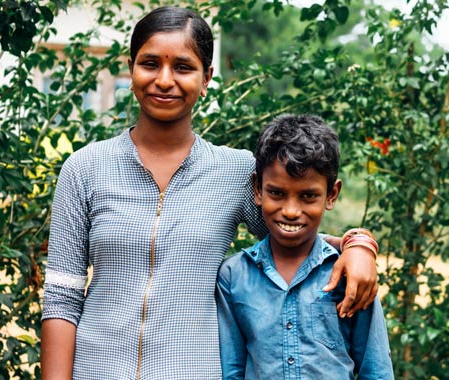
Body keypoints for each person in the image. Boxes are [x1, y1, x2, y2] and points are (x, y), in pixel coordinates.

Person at [41, 7, 380, 380]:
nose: (164, 80)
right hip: (97, 371)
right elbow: (62, 298)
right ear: (131, 68)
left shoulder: (235, 172)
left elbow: (296, 239)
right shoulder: (85, 168)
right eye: (150, 63)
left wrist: (358, 246)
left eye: (183, 67)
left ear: (206, 79)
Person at [216, 114, 393, 379]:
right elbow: (231, 371)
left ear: (331, 194)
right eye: (276, 193)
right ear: (257, 189)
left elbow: (375, 369)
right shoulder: (234, 276)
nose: (290, 211)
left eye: (308, 196)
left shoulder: (350, 272)